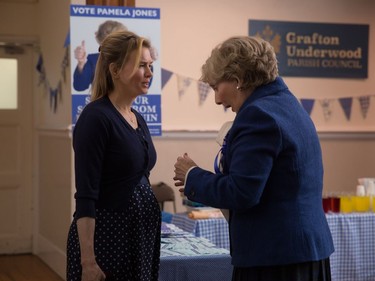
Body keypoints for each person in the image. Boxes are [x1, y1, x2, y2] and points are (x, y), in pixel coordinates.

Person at [173, 36, 334, 281]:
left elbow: (242, 192)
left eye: (217, 87)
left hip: (276, 258)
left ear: (237, 80)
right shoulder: (289, 105)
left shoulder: (258, 115)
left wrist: (192, 175)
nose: (217, 99)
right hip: (303, 252)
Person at [67, 30, 160, 281]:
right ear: (115, 70)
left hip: (139, 239)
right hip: (109, 241)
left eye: (150, 65)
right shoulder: (96, 118)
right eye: (142, 66)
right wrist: (88, 261)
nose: (150, 73)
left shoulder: (137, 118)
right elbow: (86, 196)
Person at [73, 20, 127, 92]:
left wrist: (143, 63)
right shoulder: (93, 60)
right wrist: (81, 63)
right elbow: (79, 86)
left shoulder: (131, 59)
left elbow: (144, 84)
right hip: (99, 102)